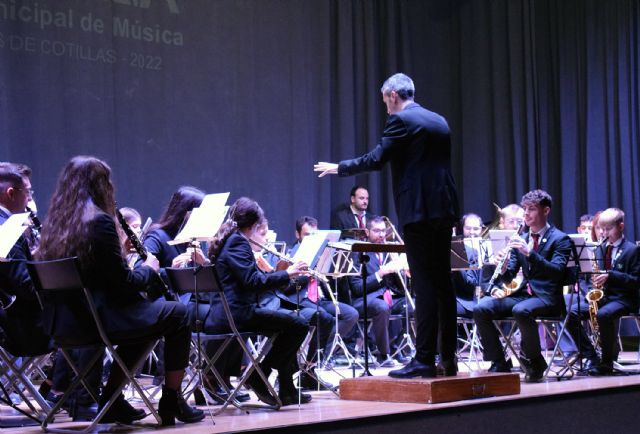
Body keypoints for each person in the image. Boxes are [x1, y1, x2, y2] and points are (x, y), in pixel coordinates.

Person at [37, 156, 203, 425]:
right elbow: (125, 285)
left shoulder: (57, 225)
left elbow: (100, 275)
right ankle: (172, 398)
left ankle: (112, 399)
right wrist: (148, 268)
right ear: (100, 184)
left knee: (147, 320)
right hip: (100, 321)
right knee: (179, 314)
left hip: (65, 323)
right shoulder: (100, 222)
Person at [315, 72, 460, 378]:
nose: (386, 108)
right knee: (443, 285)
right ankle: (448, 358)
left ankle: (423, 360)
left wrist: (339, 167)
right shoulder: (439, 120)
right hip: (444, 209)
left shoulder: (402, 121)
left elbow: (377, 159)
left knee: (423, 284)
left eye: (385, 101)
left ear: (393, 95)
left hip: (418, 212)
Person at [206, 197, 312, 406]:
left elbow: (247, 280)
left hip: (230, 312)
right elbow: (252, 282)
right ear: (254, 225)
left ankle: (287, 388)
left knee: (290, 324)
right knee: (298, 325)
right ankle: (260, 372)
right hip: (237, 315)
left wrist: (269, 270)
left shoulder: (231, 239)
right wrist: (287, 273)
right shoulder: (238, 242)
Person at [473, 189, 573, 382]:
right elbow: (510, 276)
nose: (526, 214)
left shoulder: (560, 239)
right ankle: (499, 361)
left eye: (532, 209)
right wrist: (501, 268)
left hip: (548, 298)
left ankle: (535, 361)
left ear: (545, 211)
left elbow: (557, 272)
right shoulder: (522, 237)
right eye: (525, 209)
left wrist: (530, 254)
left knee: (521, 310)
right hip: (523, 296)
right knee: (481, 308)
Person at [565, 208, 640, 375]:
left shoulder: (632, 250)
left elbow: (636, 281)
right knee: (570, 313)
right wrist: (591, 291)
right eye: (601, 229)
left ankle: (607, 363)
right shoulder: (599, 248)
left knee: (604, 315)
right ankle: (590, 355)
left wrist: (611, 276)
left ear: (621, 227)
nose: (603, 233)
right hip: (604, 297)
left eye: (608, 229)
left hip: (624, 298)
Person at [346, 216, 413, 366]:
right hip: (365, 299)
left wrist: (403, 270)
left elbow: (400, 287)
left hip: (389, 296)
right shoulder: (358, 253)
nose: (381, 235)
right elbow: (357, 288)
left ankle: (396, 346)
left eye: (383, 231)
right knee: (382, 306)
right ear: (367, 232)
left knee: (414, 305)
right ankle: (383, 353)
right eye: (376, 231)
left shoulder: (390, 251)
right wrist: (380, 274)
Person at [452, 213, 483, 318]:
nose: (472, 232)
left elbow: (472, 282)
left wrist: (457, 262)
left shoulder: (477, 251)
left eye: (475, 229)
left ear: (482, 230)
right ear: (462, 229)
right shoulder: (454, 246)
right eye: (468, 228)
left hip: (466, 300)